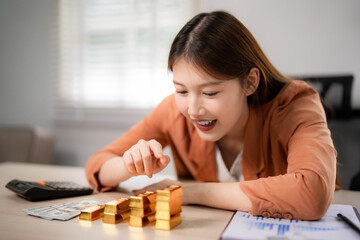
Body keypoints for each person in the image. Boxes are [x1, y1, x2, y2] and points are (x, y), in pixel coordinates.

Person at [85, 11, 336, 220]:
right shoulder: (173, 109)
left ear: (249, 82)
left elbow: (311, 192)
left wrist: (189, 192)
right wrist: (128, 165)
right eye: (181, 90)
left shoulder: (296, 102)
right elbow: (97, 165)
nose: (193, 109)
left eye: (210, 92)